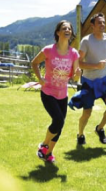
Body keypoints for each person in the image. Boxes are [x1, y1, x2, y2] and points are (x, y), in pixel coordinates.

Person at [68, 12, 106, 146]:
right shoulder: (86, 41)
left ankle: (100, 128)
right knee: (87, 113)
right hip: (89, 82)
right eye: (99, 23)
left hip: (104, 80)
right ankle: (80, 134)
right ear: (92, 26)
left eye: (103, 22)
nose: (102, 25)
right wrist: (96, 66)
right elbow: (79, 62)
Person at [31, 20, 80, 164]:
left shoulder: (74, 54)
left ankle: (48, 153)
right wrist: (40, 78)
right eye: (64, 28)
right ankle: (44, 145)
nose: (67, 30)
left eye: (69, 29)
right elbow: (34, 63)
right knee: (58, 120)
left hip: (62, 95)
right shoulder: (48, 50)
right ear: (58, 32)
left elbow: (75, 77)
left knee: (60, 125)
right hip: (48, 93)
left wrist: (78, 74)